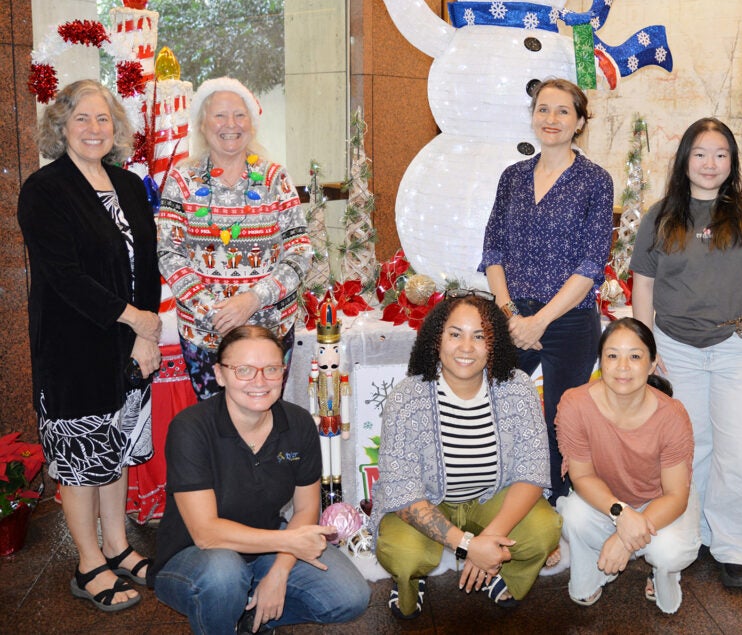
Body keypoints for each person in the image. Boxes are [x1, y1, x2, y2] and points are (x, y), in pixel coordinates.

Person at [17, 79, 161, 612]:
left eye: (103, 120)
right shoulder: (44, 189)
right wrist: (139, 323)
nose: (94, 129)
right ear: (61, 126)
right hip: (72, 347)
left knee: (115, 451)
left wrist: (143, 337)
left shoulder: (126, 184)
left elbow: (147, 266)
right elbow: (65, 276)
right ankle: (87, 562)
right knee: (82, 459)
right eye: (82, 119)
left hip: (126, 347)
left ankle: (118, 546)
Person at [630, 118, 742, 589]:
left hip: (741, 348)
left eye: (720, 154)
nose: (709, 164)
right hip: (677, 349)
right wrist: (647, 346)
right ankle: (695, 533)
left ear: (732, 162)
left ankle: (736, 548)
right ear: (685, 160)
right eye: (700, 153)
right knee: (690, 448)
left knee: (739, 451)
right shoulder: (661, 216)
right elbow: (644, 284)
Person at [150, 325, 370, 633]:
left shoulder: (298, 423)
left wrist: (280, 571)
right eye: (243, 370)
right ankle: (223, 616)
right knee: (224, 574)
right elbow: (206, 534)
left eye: (271, 369)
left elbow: (306, 509)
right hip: (195, 557)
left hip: (266, 546)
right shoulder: (191, 428)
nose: (259, 381)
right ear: (220, 373)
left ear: (283, 371)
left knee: (350, 596)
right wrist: (289, 542)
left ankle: (248, 616)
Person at [371, 292, 561, 619]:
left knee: (544, 530)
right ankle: (410, 581)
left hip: (491, 500)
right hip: (428, 502)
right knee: (404, 554)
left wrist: (486, 543)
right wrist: (468, 545)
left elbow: (533, 472)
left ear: (495, 344)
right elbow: (401, 493)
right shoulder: (408, 397)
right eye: (455, 334)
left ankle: (500, 574)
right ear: (436, 339)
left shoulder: (517, 388)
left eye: (480, 336)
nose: (466, 347)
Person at [479, 77, 614, 503]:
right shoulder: (512, 177)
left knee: (563, 423)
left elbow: (592, 264)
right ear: (532, 116)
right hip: (511, 317)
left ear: (579, 122)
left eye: (562, 111)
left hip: (569, 322)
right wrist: (508, 313)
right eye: (543, 109)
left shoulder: (595, 180)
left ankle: (558, 508)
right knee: (498, 411)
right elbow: (493, 248)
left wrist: (541, 320)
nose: (551, 119)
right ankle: (498, 499)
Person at [157, 77, 311, 400]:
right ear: (201, 123)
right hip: (205, 334)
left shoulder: (274, 178)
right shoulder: (181, 179)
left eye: (239, 116)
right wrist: (213, 310)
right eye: (220, 115)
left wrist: (253, 299)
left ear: (252, 125)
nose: (231, 125)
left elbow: (299, 252)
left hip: (270, 333)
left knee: (263, 422)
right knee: (217, 431)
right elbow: (169, 253)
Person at [556, 318, 701, 614]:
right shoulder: (575, 403)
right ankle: (593, 573)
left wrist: (624, 540)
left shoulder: (672, 415)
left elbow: (676, 495)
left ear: (652, 365)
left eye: (635, 356)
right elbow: (580, 475)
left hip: (660, 502)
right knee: (572, 513)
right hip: (608, 501)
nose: (622, 366)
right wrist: (620, 514)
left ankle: (660, 573)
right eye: (612, 356)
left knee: (670, 551)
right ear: (600, 362)